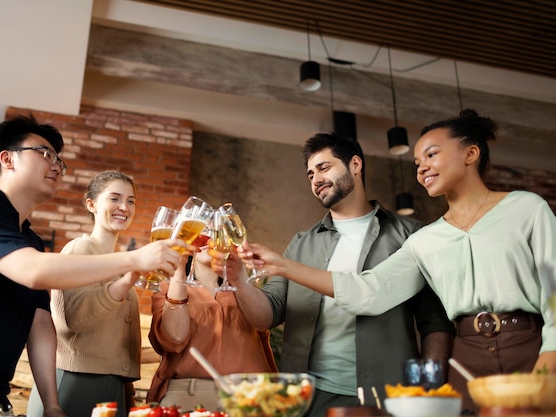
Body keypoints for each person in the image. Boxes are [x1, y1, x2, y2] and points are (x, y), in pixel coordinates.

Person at [238, 110, 556, 414]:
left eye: (431, 155)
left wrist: (549, 357)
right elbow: (369, 291)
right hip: (465, 357)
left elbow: (553, 293)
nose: (421, 168)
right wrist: (279, 266)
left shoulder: (526, 209)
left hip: (528, 346)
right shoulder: (425, 240)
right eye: (417, 162)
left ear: (471, 153)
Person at [0, 115, 189, 417]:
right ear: (7, 159)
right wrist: (136, 258)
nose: (56, 165)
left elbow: (40, 325)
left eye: (59, 161)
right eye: (44, 154)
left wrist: (52, 403)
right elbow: (34, 272)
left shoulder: (30, 241)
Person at [211, 133, 454, 417]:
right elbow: (267, 316)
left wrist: (429, 387)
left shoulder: (408, 234)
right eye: (310, 174)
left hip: (385, 394)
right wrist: (239, 281)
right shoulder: (301, 243)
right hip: (308, 396)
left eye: (324, 168)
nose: (315, 180)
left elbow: (435, 320)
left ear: (355, 164)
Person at [26, 170, 145, 417]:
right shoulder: (80, 249)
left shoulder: (115, 261)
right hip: (75, 381)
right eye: (114, 198)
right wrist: (128, 281)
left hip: (112, 385)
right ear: (91, 204)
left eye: (130, 200)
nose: (124, 206)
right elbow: (77, 318)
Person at [147, 247, 277, 412]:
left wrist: (239, 278)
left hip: (250, 396)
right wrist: (179, 269)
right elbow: (174, 338)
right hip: (190, 396)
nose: (209, 234)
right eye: (202, 226)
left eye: (215, 227)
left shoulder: (248, 293)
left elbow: (264, 322)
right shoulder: (169, 288)